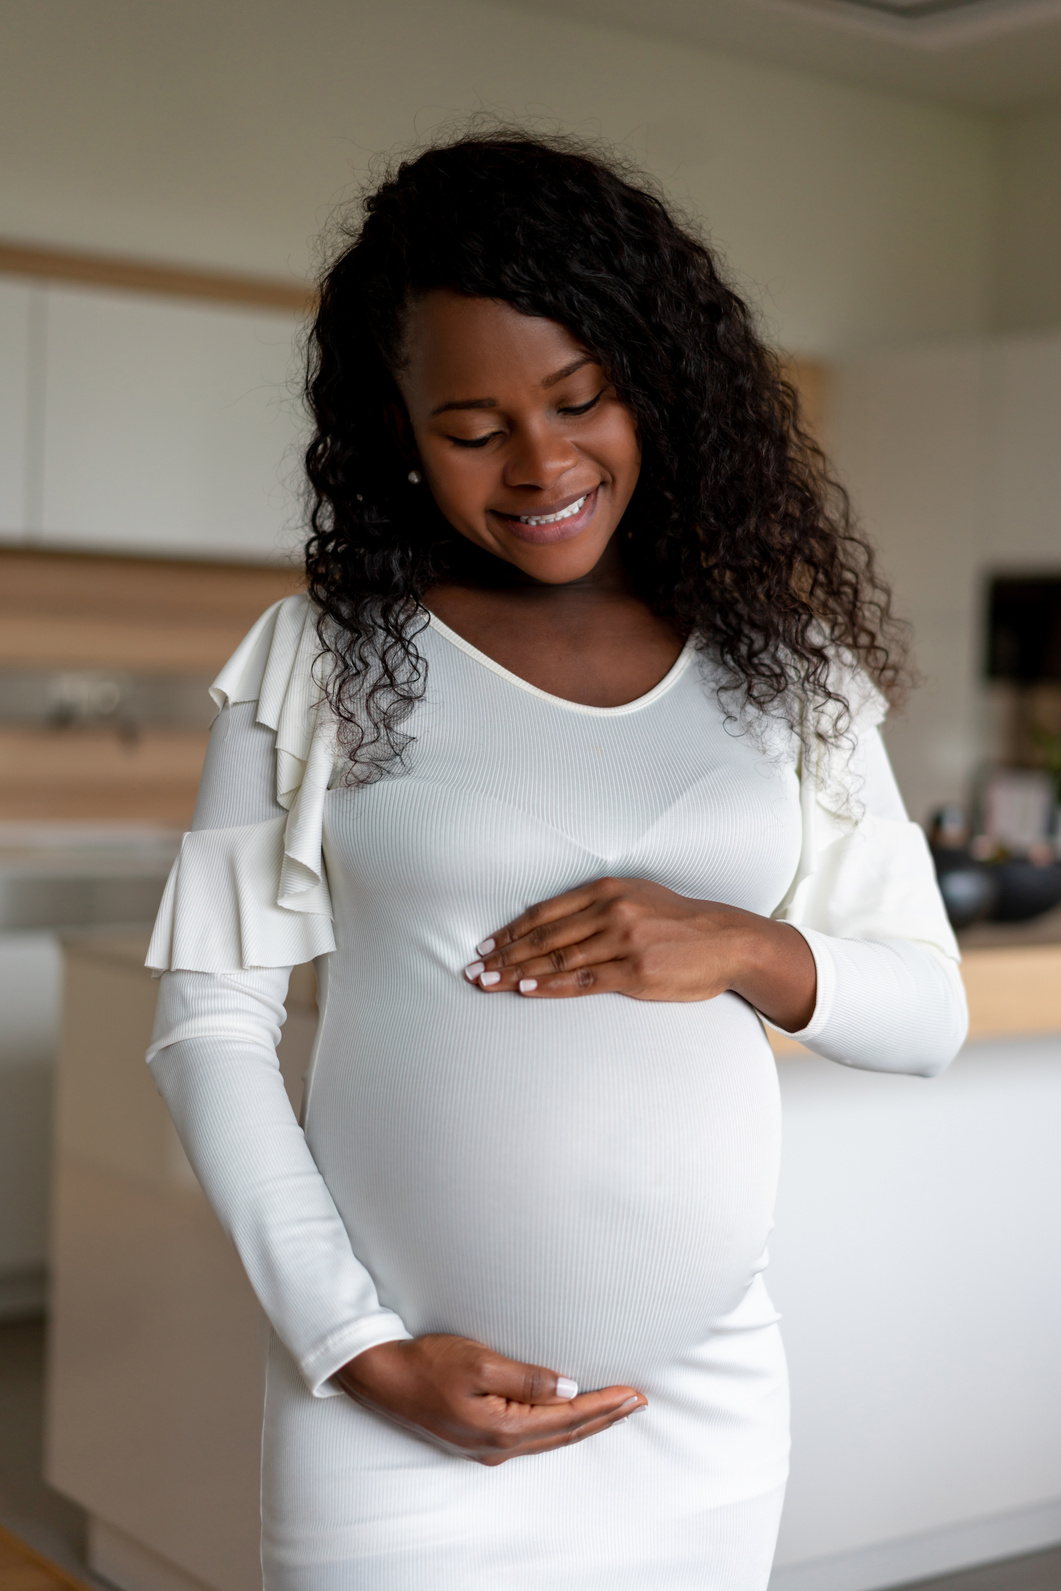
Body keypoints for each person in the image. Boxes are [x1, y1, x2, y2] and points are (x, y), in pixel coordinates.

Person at [145, 132, 968, 1591]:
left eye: (581, 400)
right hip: (393, 1410)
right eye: (473, 427)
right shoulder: (323, 661)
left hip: (696, 1405)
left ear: (654, 380)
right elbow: (210, 1023)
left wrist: (742, 945)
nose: (541, 464)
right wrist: (357, 1349)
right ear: (397, 426)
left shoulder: (790, 675)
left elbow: (922, 1015)